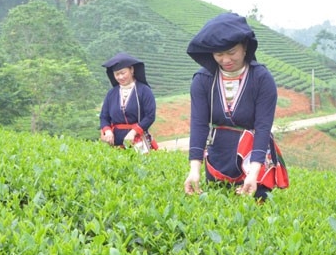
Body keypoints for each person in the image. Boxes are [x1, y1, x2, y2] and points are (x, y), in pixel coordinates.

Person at [183, 13, 288, 201]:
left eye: (231, 52)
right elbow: (199, 124)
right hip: (218, 158)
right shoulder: (202, 80)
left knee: (256, 215)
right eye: (219, 54)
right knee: (218, 212)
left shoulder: (262, 78)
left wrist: (254, 172)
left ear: (245, 47)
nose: (225, 60)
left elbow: (263, 127)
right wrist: (194, 169)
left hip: (253, 158)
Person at [99, 52, 158, 152]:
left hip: (138, 140)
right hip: (115, 143)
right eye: (117, 74)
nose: (120, 77)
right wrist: (108, 131)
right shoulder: (111, 94)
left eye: (123, 73)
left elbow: (150, 116)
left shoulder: (144, 90)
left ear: (131, 70)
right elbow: (104, 117)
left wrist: (133, 132)